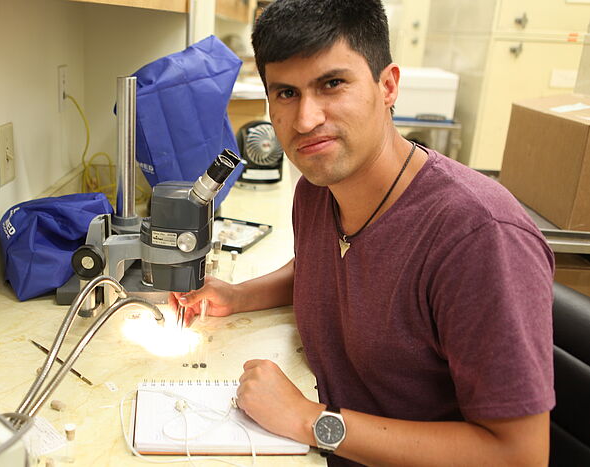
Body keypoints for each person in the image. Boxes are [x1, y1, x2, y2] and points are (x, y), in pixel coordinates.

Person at [171, 0, 555, 465]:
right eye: (287, 93)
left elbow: (519, 455)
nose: (307, 119)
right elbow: (325, 268)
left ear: (387, 85)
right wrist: (238, 295)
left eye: (332, 84)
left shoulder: (478, 236)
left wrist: (310, 420)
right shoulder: (318, 187)